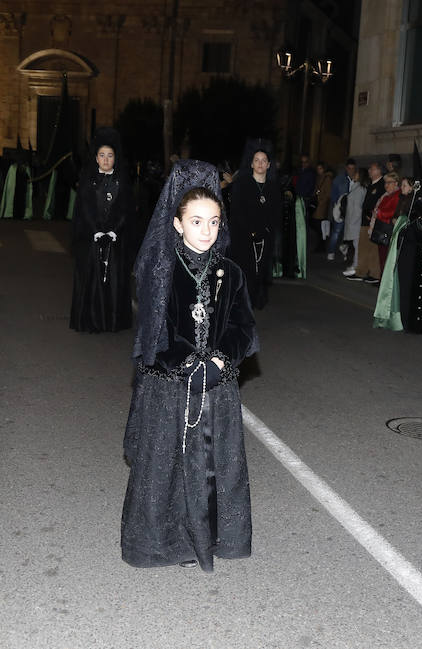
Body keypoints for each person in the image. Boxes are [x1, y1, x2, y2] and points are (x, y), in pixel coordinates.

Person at [121, 159, 258, 572]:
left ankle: (215, 538)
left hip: (217, 386)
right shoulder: (160, 272)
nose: (206, 231)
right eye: (196, 221)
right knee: (170, 467)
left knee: (215, 465)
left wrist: (221, 359)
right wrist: (188, 363)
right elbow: (155, 333)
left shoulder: (230, 272)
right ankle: (170, 543)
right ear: (177, 223)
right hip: (171, 387)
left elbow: (243, 326)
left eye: (214, 222)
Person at [70, 127, 135, 333]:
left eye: (110, 155)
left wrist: (114, 230)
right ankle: (90, 321)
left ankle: (113, 321)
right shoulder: (88, 181)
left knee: (114, 281)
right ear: (96, 158)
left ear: (115, 158)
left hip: (115, 241)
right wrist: (96, 231)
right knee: (92, 279)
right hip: (92, 239)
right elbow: (84, 209)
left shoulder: (123, 182)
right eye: (102, 155)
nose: (106, 160)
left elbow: (126, 210)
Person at [374, 181, 422, 333]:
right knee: (406, 290)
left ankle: (419, 322)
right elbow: (397, 238)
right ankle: (406, 320)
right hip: (407, 261)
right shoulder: (404, 221)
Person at [228, 140, 280, 309]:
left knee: (261, 269)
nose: (260, 163)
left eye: (263, 160)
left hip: (265, 237)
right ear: (251, 163)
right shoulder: (242, 185)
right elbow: (237, 211)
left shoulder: (273, 187)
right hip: (244, 237)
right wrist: (250, 231)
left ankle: (257, 298)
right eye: (256, 160)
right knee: (245, 269)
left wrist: (267, 231)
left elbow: (275, 213)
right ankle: (242, 301)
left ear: (268, 165)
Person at [326, 158, 357, 259]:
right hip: (341, 208)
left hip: (352, 210)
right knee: (336, 231)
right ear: (346, 168)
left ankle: (346, 252)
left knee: (348, 232)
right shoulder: (339, 179)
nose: (351, 171)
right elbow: (333, 194)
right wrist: (337, 205)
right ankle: (331, 252)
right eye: (349, 168)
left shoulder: (357, 178)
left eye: (353, 168)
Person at [371, 172, 401, 275]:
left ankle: (386, 282)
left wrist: (379, 213)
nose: (386, 185)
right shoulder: (387, 195)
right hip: (382, 229)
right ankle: (383, 279)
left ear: (396, 183)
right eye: (385, 183)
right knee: (382, 257)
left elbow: (393, 212)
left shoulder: (397, 195)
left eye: (389, 182)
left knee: (387, 258)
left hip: (388, 230)